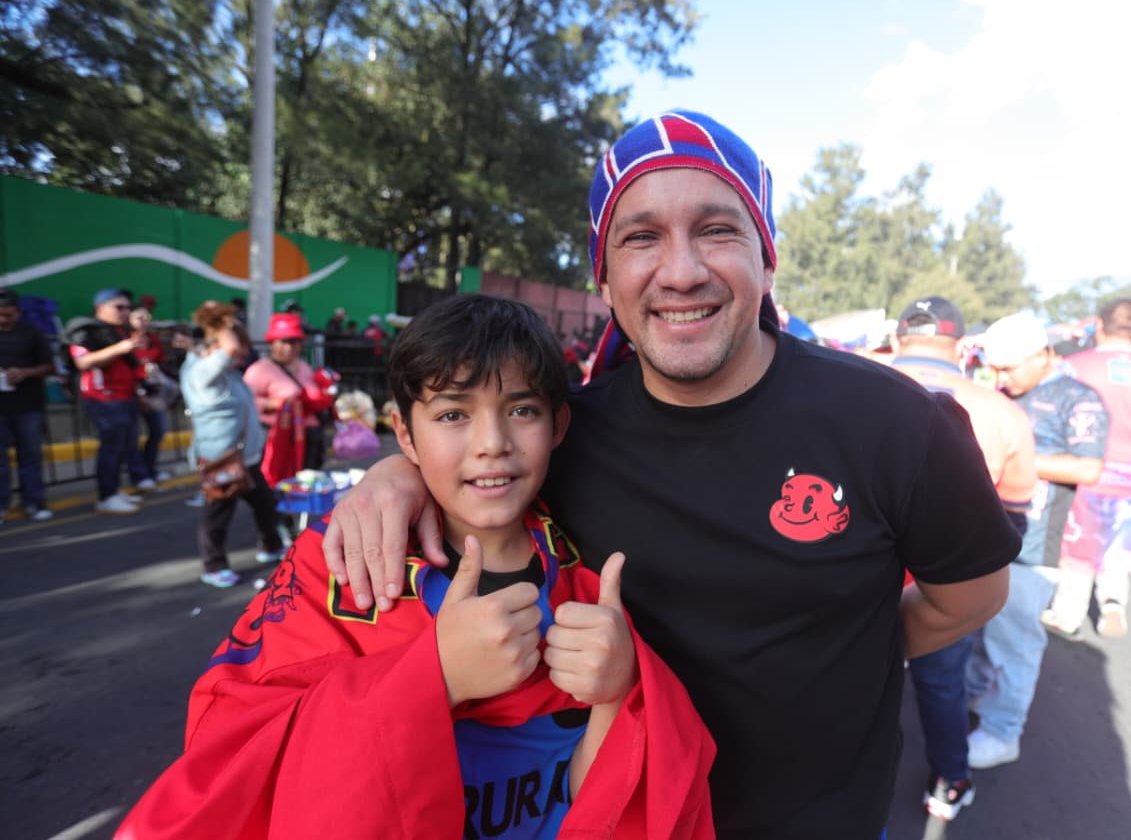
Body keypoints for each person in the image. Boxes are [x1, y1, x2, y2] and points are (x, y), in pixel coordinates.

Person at [321, 109, 1019, 839]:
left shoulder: (895, 422)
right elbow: (474, 459)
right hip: (629, 819)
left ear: (766, 255)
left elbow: (969, 596)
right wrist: (395, 471)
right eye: (642, 237)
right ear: (604, 273)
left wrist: (848, 655)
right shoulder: (564, 435)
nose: (681, 271)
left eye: (717, 230)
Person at [117, 293, 716, 839]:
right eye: (453, 414)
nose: (492, 443)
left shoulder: (581, 576)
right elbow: (226, 765)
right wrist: (433, 677)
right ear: (403, 433)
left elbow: (599, 806)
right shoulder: (339, 569)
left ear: (558, 424)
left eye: (522, 410)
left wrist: (617, 694)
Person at [889, 296, 1038, 821]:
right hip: (945, 588)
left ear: (900, 335)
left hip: (850, 580)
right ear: (959, 345)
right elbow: (1015, 516)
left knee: (835, 683)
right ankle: (949, 779)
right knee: (942, 685)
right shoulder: (1001, 410)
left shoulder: (835, 384)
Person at [966, 312, 1109, 768]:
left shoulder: (1078, 399)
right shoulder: (1001, 395)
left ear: (1043, 354)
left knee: (1015, 643)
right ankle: (976, 700)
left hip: (1035, 544)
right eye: (996, 369)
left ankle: (1003, 732)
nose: (1001, 378)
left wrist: (1015, 454)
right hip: (989, 534)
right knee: (977, 633)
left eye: (1010, 368)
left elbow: (1088, 468)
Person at [1042, 299, 1131, 640]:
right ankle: (1113, 602)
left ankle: (1068, 613)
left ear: (1099, 326)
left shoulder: (1074, 368)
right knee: (1119, 539)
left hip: (1084, 472)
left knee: (1078, 543)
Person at [180, 302, 288, 589]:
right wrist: (224, 324)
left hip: (245, 457)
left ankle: (272, 545)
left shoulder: (226, 371)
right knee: (218, 513)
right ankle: (213, 566)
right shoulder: (202, 372)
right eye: (239, 347)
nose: (242, 353)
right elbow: (225, 349)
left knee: (264, 502)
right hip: (222, 458)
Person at [65, 288, 149, 515]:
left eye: (127, 308)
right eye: (118, 307)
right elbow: (83, 362)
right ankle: (107, 495)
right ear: (100, 307)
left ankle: (114, 489)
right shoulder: (86, 330)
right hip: (103, 399)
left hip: (125, 397)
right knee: (111, 448)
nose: (124, 312)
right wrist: (121, 347)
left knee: (124, 446)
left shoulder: (118, 331)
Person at [244, 312, 330, 479]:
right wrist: (275, 404)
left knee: (309, 481)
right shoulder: (260, 369)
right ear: (272, 344)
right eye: (284, 342)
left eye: (294, 342)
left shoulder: (304, 366)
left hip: (309, 437)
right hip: (281, 440)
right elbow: (245, 401)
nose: (289, 348)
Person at [0, 287, 55, 525]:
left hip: (28, 404)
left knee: (31, 455)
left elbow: (50, 366)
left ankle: (33, 501)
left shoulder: (31, 333)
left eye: (9, 314)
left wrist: (25, 373)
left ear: (18, 313)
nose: (4, 319)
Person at [126, 306, 173, 488]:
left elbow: (160, 362)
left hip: (153, 391)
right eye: (138, 317)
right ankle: (138, 475)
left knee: (158, 430)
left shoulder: (153, 340)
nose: (144, 320)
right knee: (132, 436)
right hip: (132, 392)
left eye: (147, 317)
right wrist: (138, 393)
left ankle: (150, 468)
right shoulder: (124, 341)